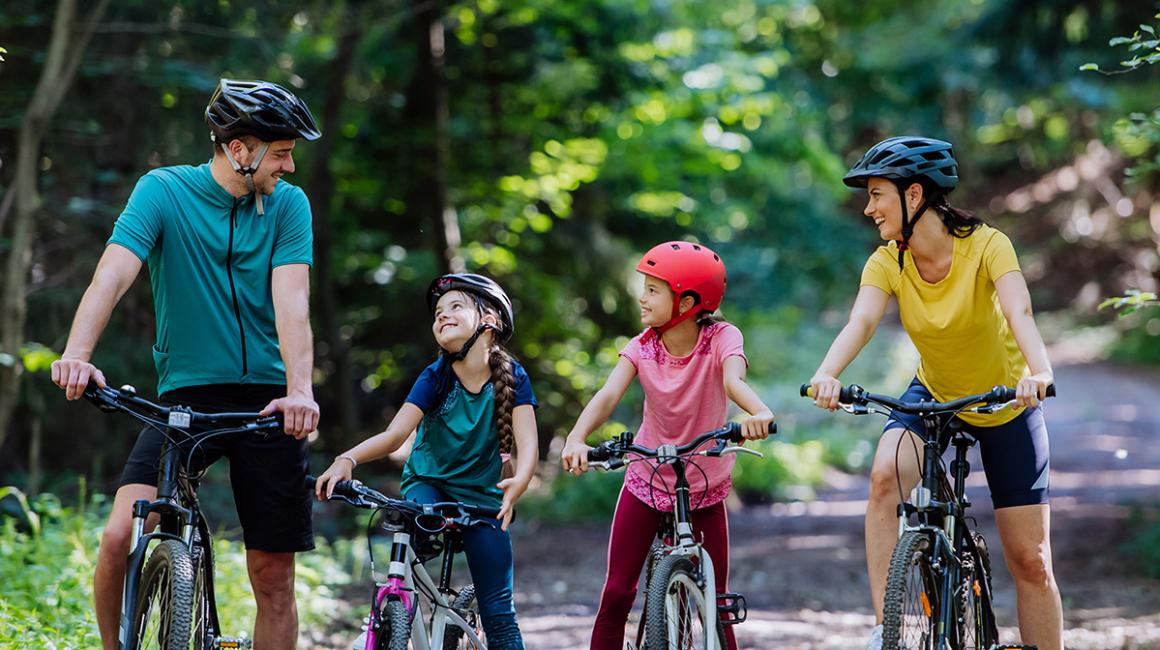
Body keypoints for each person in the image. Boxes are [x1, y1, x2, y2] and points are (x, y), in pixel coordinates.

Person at [50, 78, 322, 650]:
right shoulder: (163, 191)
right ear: (240, 150)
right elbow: (112, 274)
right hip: (186, 400)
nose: (290, 166)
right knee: (119, 538)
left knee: (274, 578)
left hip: (271, 403)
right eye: (281, 153)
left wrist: (301, 390)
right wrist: (77, 355)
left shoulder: (288, 206)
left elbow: (292, 302)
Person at [806, 136, 1063, 650]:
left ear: (914, 194)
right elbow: (861, 322)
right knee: (885, 477)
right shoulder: (887, 261)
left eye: (877, 194)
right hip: (934, 392)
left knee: (1031, 561)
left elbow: (1020, 311)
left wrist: (1039, 371)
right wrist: (826, 373)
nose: (869, 208)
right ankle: (886, 631)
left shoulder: (988, 245)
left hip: (1006, 401)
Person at [560, 241, 775, 650]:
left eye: (653, 290)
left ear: (687, 302)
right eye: (645, 288)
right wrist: (576, 437)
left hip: (705, 482)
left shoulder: (721, 338)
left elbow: (733, 381)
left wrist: (758, 412)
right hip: (648, 476)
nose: (642, 297)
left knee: (716, 602)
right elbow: (608, 394)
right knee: (617, 592)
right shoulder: (642, 346)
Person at [315, 273, 538, 649]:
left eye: (455, 307)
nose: (442, 315)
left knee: (499, 613)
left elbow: (528, 444)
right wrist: (347, 458)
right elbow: (395, 435)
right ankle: (390, 618)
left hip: (483, 500)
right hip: (428, 484)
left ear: (489, 321)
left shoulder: (513, 377)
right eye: (438, 312)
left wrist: (521, 480)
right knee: (411, 524)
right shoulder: (436, 376)